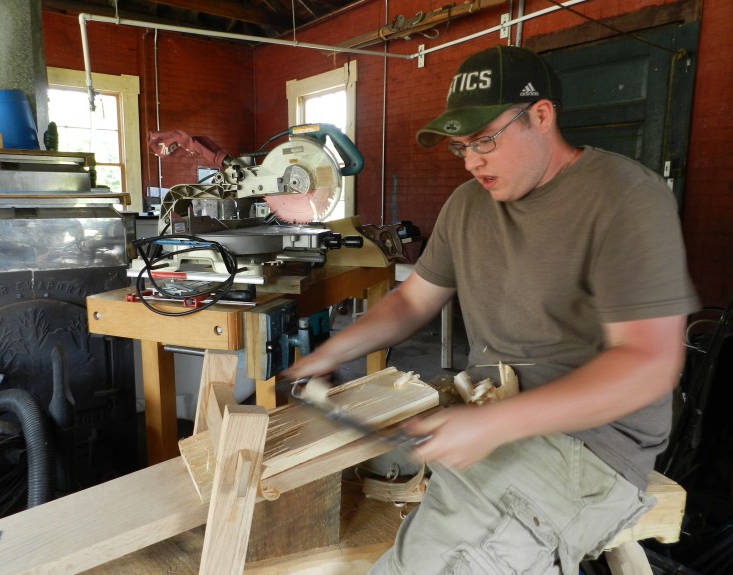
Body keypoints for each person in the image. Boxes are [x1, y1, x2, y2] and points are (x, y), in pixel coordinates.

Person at [283, 45, 699, 574]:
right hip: (492, 408)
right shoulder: (466, 205)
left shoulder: (625, 198)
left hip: (589, 444)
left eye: (485, 140)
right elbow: (414, 299)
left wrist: (496, 423)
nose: (472, 160)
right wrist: (331, 352)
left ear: (542, 116)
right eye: (461, 146)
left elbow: (648, 363)